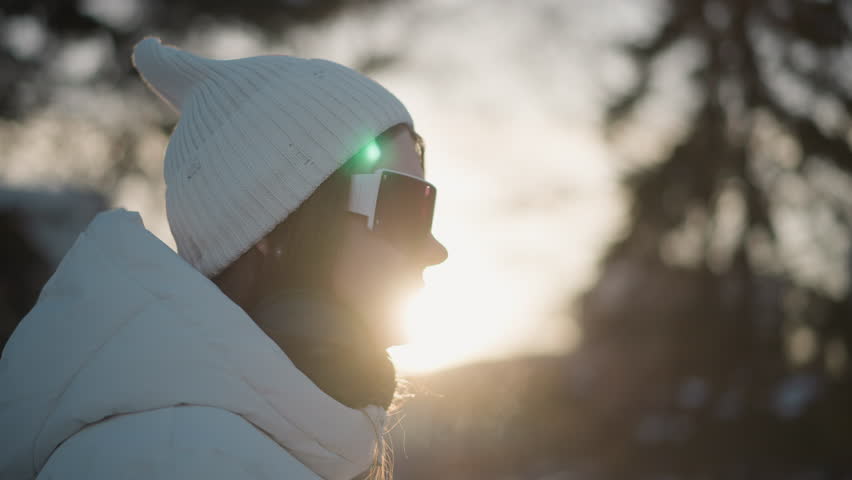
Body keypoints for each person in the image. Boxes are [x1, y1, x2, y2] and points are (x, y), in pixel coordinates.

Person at [0, 37, 447, 480]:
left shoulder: (219, 446)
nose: (435, 250)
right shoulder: (175, 458)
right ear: (273, 229)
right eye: (407, 206)